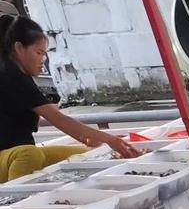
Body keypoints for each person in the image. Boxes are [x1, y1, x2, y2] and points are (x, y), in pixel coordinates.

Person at [0, 14, 136, 180]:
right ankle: (16, 199)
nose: (43, 60)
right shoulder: (11, 76)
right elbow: (59, 120)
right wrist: (111, 140)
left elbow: (53, 114)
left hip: (15, 154)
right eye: (38, 53)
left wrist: (93, 139)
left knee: (88, 155)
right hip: (15, 156)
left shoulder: (14, 73)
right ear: (19, 48)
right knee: (29, 154)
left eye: (44, 54)